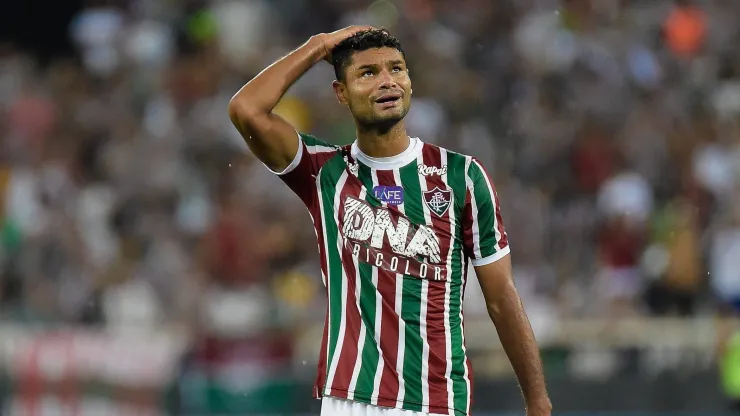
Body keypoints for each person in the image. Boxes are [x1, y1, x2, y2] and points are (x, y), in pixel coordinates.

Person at [228, 26, 551, 416]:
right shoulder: (325, 172)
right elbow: (246, 110)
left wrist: (538, 401)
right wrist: (319, 47)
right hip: (349, 399)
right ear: (341, 93)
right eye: (368, 73)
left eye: (396, 69)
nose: (387, 81)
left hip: (435, 401)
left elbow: (501, 298)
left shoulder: (461, 177)